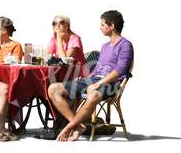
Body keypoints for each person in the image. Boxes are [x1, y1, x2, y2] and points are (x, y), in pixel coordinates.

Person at [48, 10, 134, 141]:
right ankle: (78, 126)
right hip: (93, 79)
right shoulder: (105, 46)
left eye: (103, 24)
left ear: (112, 26)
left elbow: (120, 70)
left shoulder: (125, 45)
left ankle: (68, 127)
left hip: (112, 83)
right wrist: (87, 81)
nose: (100, 27)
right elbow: (98, 69)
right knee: (53, 89)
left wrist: (98, 84)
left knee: (94, 94)